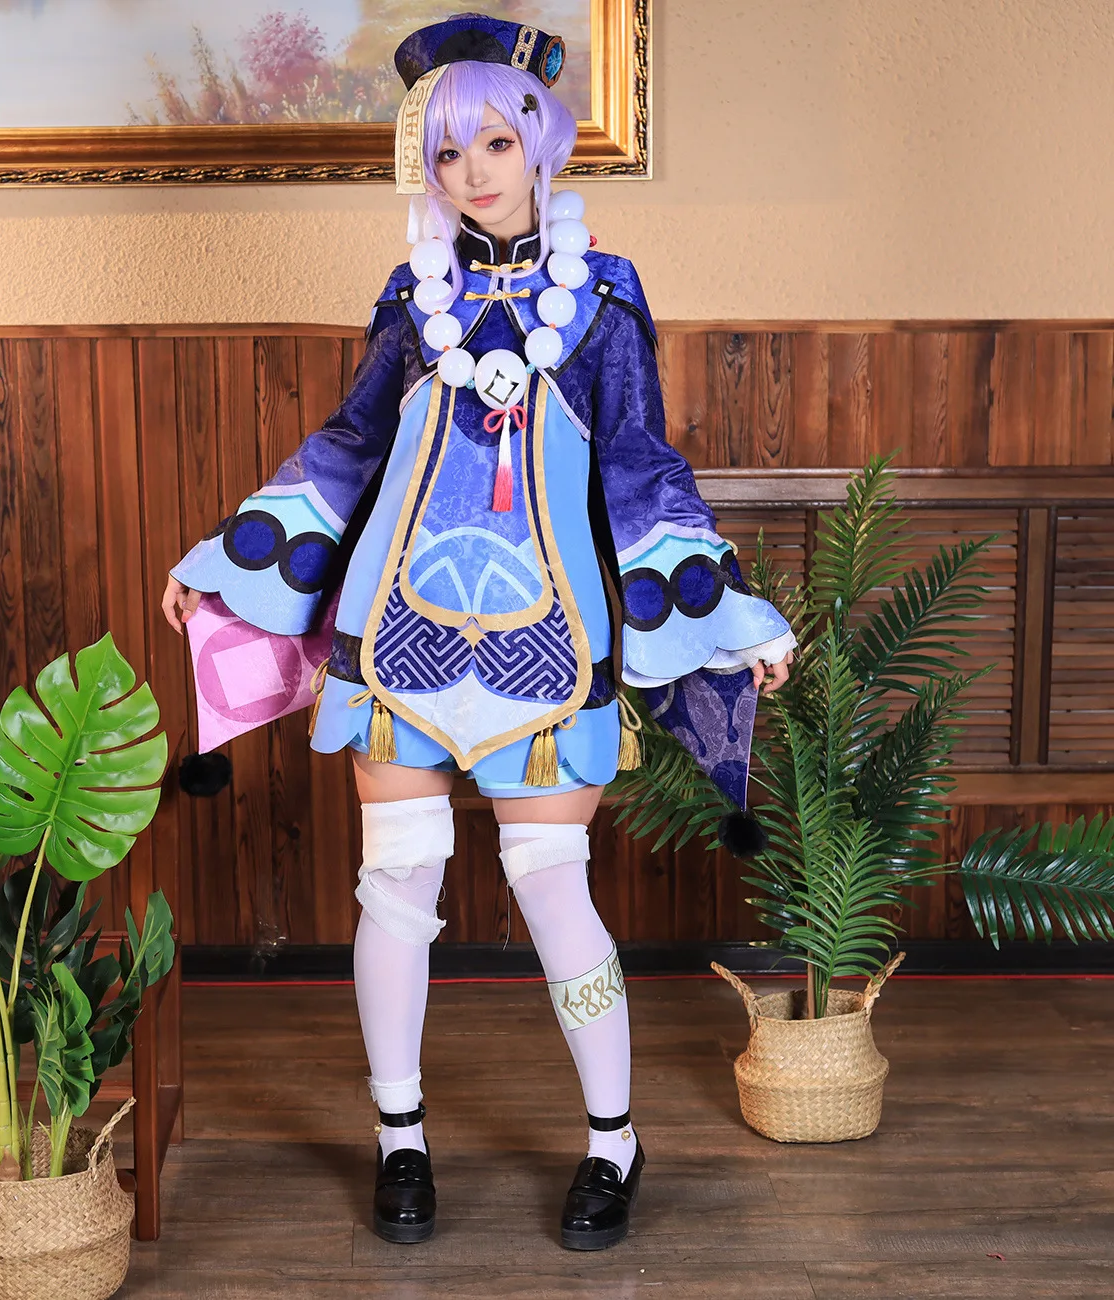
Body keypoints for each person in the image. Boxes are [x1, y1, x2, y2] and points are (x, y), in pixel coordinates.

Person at [162, 13, 794, 1252]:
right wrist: (227, 564)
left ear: (540, 142)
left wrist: (725, 612)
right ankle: (399, 1137)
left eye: (495, 143)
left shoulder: (603, 297)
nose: (471, 173)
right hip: (399, 633)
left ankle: (613, 1142)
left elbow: (641, 467)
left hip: (547, 642)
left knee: (552, 888)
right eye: (447, 153)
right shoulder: (414, 295)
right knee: (396, 887)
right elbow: (349, 447)